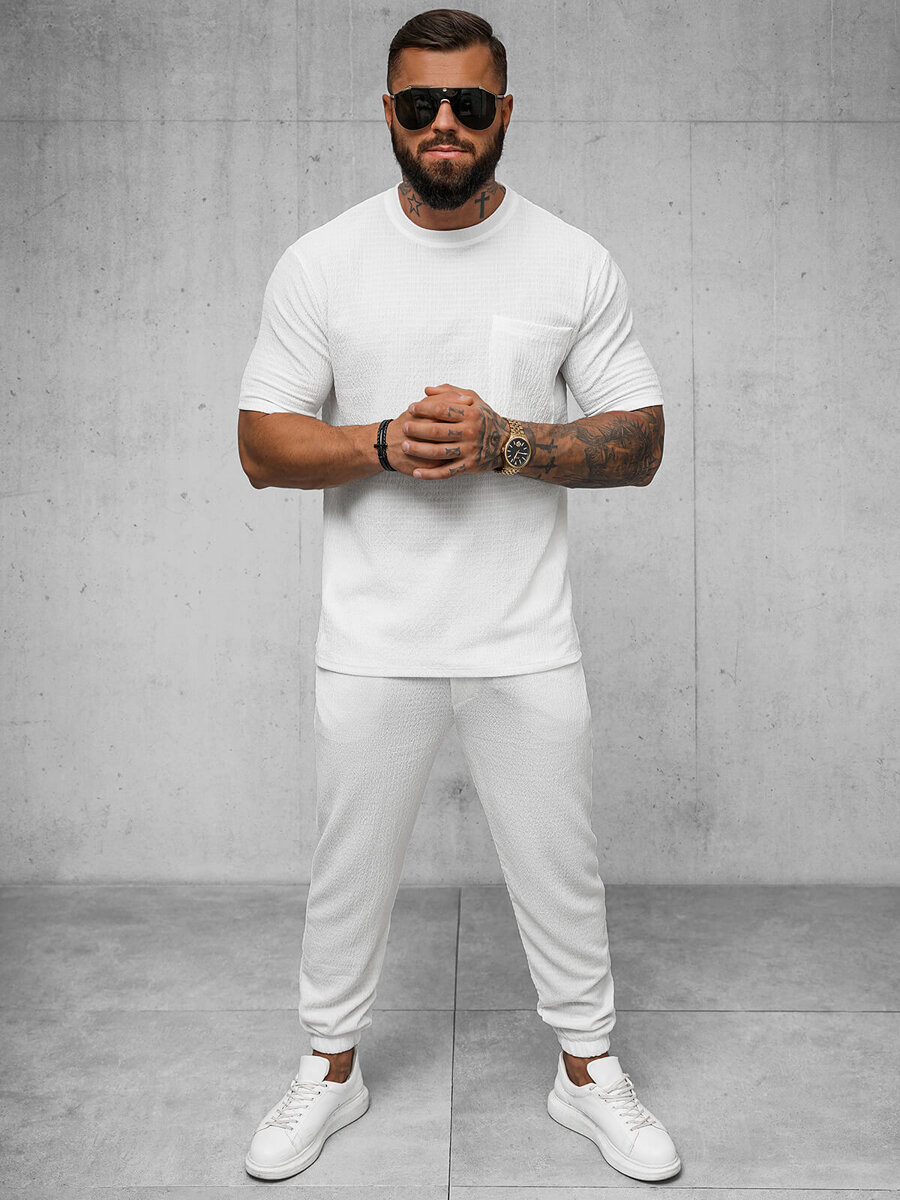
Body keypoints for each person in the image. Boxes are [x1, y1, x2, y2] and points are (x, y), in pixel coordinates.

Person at [236, 7, 680, 1185]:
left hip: (524, 637)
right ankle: (330, 1070)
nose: (445, 122)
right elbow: (262, 443)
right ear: (388, 112)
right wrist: (383, 442)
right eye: (421, 102)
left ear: (504, 114)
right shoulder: (322, 262)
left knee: (562, 867)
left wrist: (508, 442)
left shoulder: (572, 260)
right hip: (373, 637)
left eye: (469, 104)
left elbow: (641, 441)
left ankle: (587, 1073)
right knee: (347, 870)